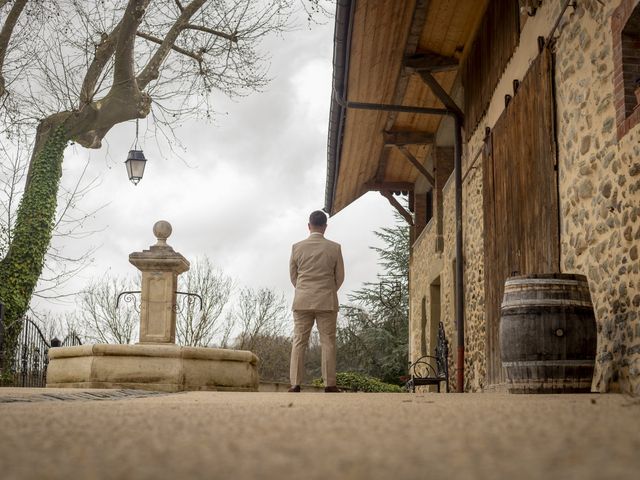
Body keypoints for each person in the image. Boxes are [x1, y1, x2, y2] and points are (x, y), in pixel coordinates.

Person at [288, 210, 345, 393]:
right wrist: (327, 291)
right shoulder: (334, 248)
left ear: (309, 225)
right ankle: (330, 384)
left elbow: (293, 276)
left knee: (299, 341)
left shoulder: (296, 247)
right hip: (326, 301)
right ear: (325, 227)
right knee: (328, 342)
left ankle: (295, 384)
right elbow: (340, 277)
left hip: (302, 300)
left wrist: (304, 289)